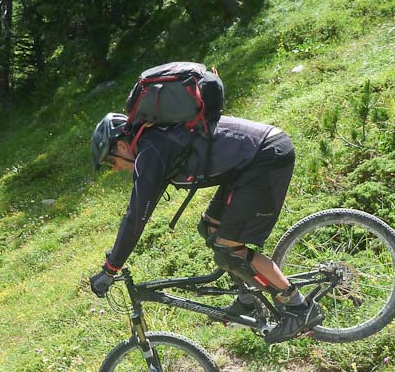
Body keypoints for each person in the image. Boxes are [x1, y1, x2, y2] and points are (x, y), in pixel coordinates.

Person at [89, 112, 322, 343]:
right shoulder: (154, 145)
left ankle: (299, 307)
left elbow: (135, 218)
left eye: (111, 161)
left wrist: (111, 268)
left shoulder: (151, 153)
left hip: (265, 156)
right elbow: (139, 212)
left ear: (121, 145)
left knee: (229, 250)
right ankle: (249, 300)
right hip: (250, 161)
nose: (115, 169)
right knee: (210, 228)